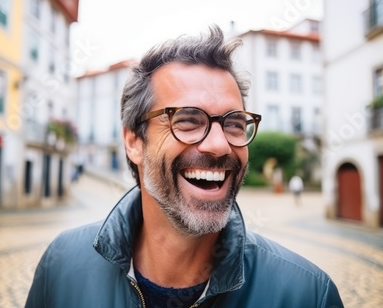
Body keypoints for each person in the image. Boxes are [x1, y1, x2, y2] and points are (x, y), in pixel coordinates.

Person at [25, 26, 343, 308]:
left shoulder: (309, 296)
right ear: (135, 142)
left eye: (234, 123)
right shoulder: (62, 266)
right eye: (188, 120)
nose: (219, 145)